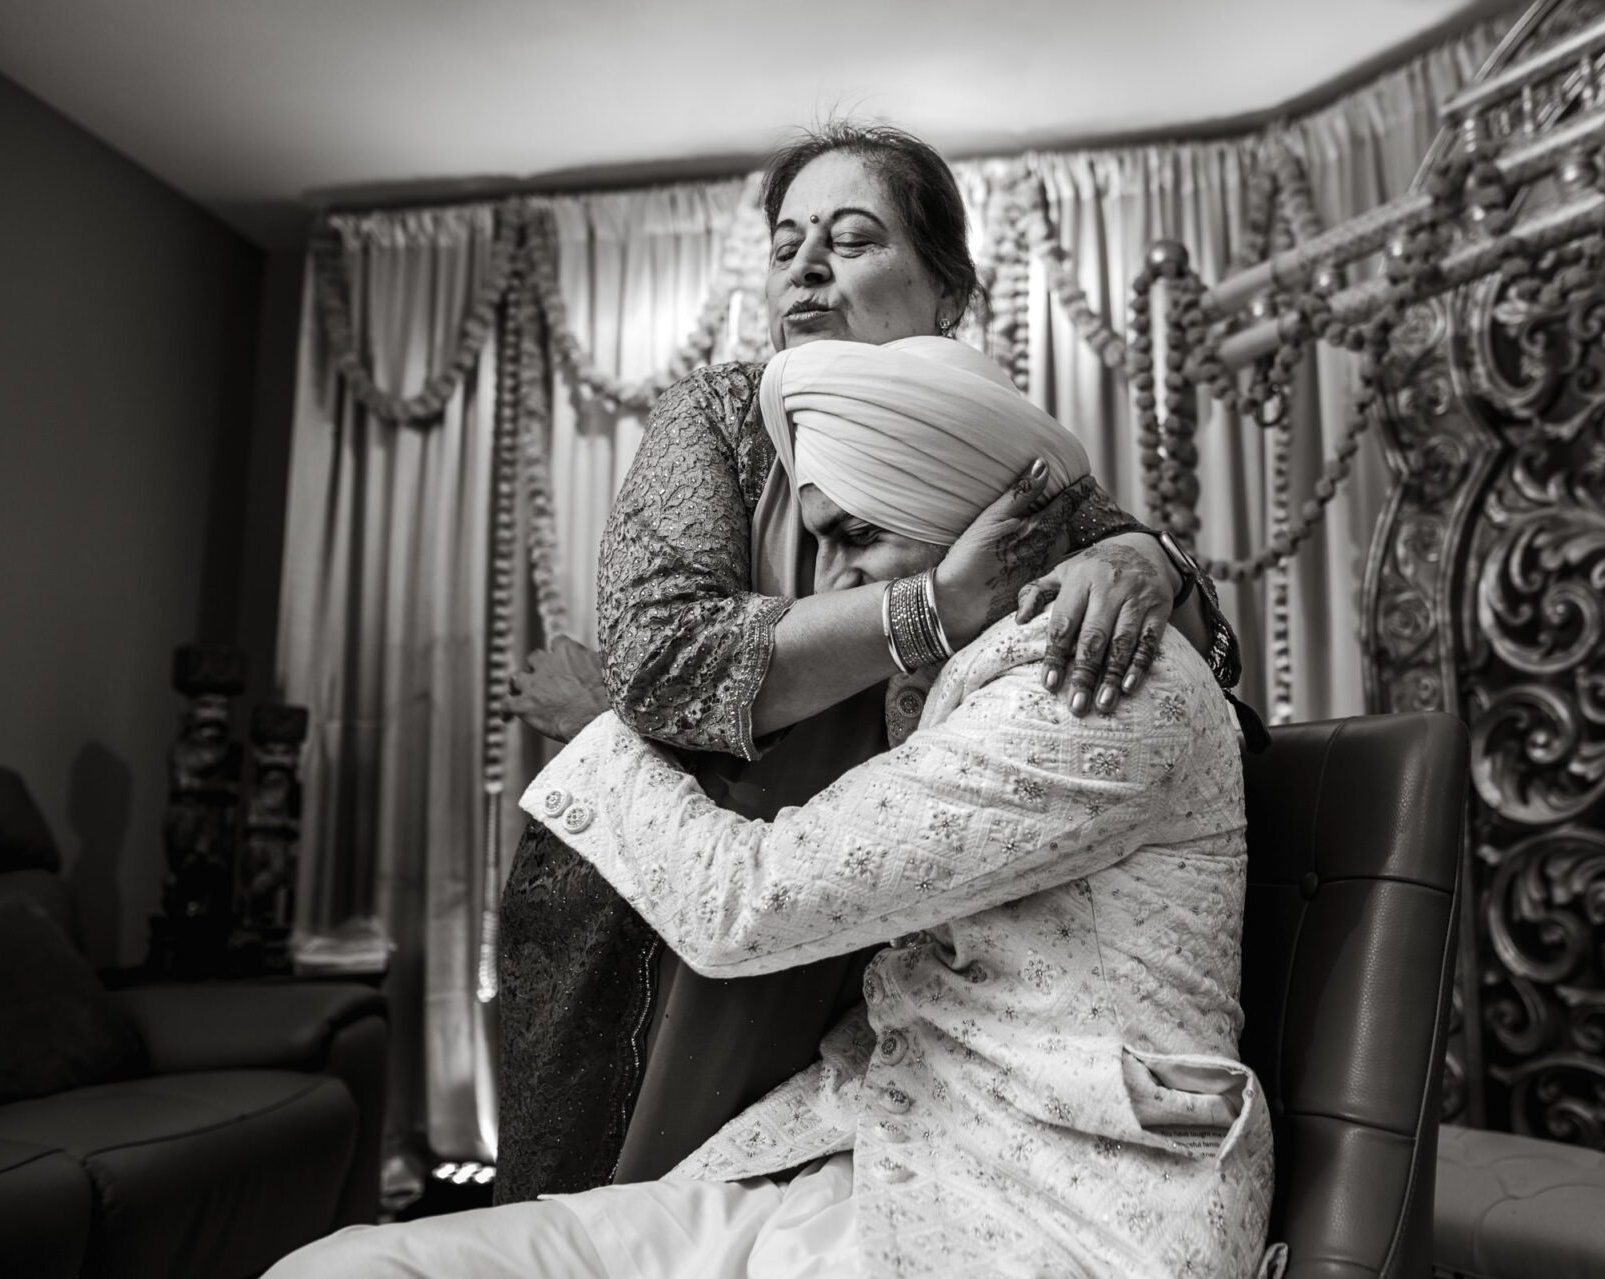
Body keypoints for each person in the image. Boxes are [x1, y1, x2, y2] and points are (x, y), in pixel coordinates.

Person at [269, 333, 1271, 1279]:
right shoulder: (957, 680)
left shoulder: (1090, 679)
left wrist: (599, 724)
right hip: (876, 1151)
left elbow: (749, 902)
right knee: (339, 1267)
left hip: (1057, 1206)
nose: (829, 584)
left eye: (858, 536)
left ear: (969, 519)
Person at [495, 121, 1249, 1203]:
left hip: (888, 922)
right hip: (674, 901)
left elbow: (1198, 659)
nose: (806, 266)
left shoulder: (995, 451)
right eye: (786, 244)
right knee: (602, 1221)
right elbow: (661, 661)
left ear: (949, 292)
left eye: (851, 240)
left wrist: (1149, 557)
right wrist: (930, 610)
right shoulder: (724, 418)